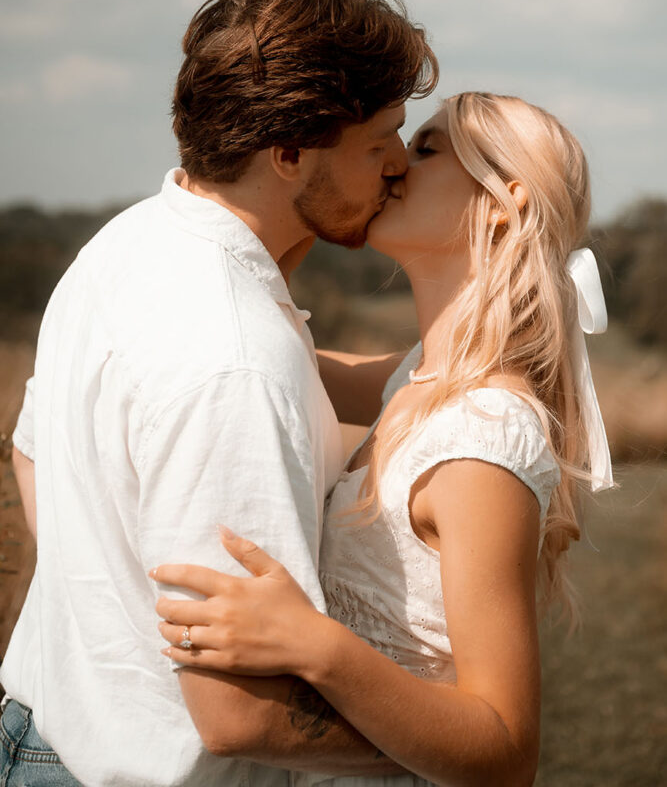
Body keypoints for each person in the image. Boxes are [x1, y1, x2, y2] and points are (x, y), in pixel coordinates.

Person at [0, 0, 439, 786]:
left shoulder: (132, 243)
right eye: (379, 139)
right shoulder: (234, 359)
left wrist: (108, 604)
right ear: (288, 152)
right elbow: (241, 717)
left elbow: (32, 452)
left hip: (46, 738)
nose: (397, 164)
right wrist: (451, 745)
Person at [150, 92, 614, 787]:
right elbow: (269, 355)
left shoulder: (482, 439)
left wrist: (316, 646)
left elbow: (506, 752)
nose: (394, 164)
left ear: (501, 203)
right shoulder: (420, 376)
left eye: (426, 149)